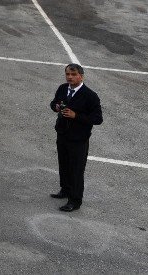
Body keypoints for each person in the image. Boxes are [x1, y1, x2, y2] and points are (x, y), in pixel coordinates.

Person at [50, 64, 102, 212]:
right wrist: (56, 107)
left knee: (76, 169)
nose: (69, 77)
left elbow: (98, 119)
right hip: (62, 134)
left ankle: (75, 200)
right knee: (64, 164)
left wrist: (76, 116)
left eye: (73, 74)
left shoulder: (90, 95)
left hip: (79, 139)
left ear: (81, 76)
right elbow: (53, 103)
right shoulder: (62, 88)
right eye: (67, 74)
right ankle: (65, 190)